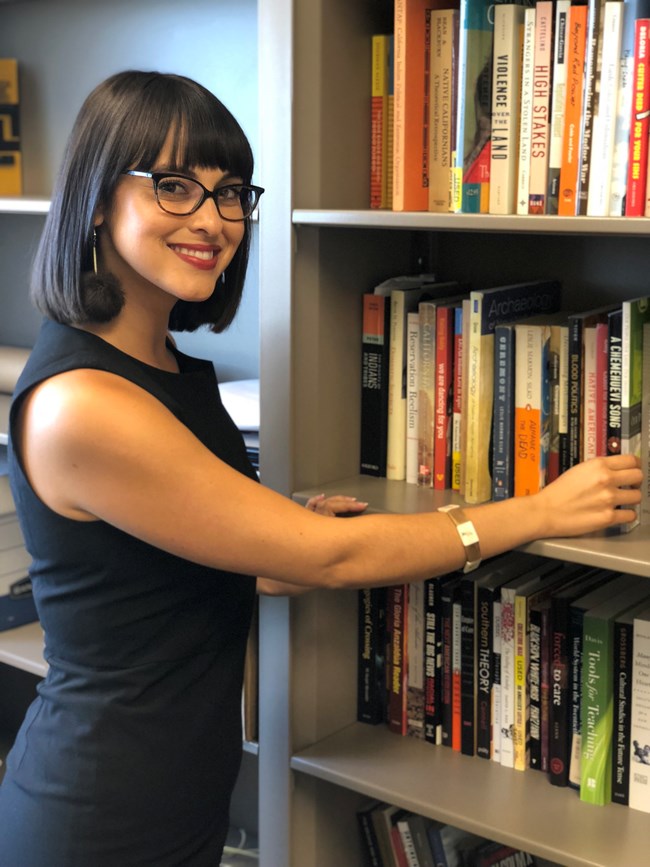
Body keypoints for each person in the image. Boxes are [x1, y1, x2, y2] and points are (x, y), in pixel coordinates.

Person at [0, 70, 641, 867]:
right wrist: (537, 512)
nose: (214, 219)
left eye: (230, 191)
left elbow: (153, 566)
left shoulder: (161, 362)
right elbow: (330, 560)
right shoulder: (85, 404)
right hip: (98, 815)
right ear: (97, 201)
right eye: (175, 187)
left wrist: (266, 546)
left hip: (168, 796)